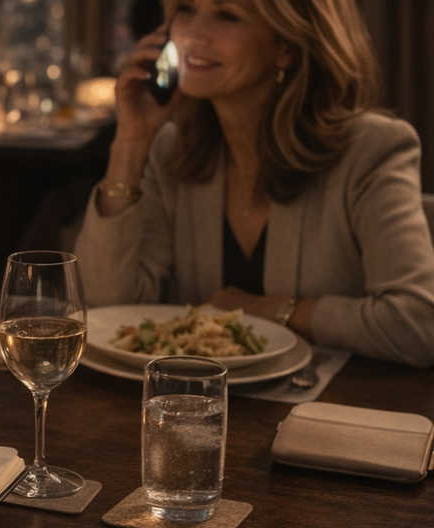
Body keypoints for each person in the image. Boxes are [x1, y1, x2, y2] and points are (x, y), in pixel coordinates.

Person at [73, 0, 434, 368]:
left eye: (227, 15)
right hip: (190, 411)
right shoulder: (171, 150)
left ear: (286, 47)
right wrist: (131, 142)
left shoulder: (372, 150)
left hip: (334, 413)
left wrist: (270, 309)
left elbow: (417, 324)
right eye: (185, 9)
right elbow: (103, 311)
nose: (194, 34)